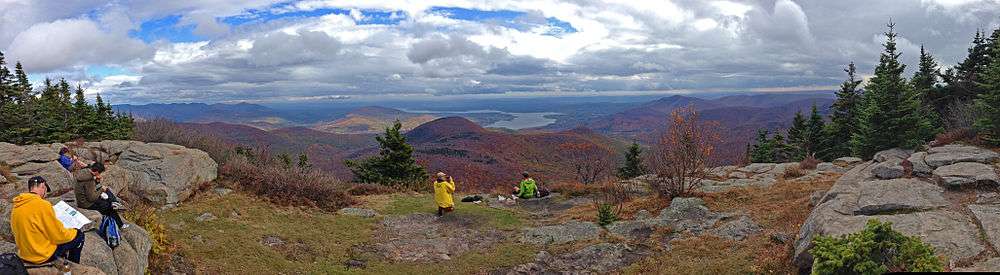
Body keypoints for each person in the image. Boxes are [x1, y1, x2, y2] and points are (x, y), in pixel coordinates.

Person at [10, 176, 85, 264]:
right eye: (46, 189)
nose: (45, 194)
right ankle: (73, 266)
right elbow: (58, 235)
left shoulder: (17, 205)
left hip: (25, 253)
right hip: (41, 255)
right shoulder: (43, 205)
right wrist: (74, 231)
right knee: (80, 236)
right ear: (42, 186)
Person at [73, 162, 127, 229]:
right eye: (100, 173)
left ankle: (115, 203)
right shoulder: (89, 180)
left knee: (106, 192)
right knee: (108, 206)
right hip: (85, 204)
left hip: (82, 199)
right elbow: (92, 198)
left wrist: (97, 182)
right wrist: (101, 190)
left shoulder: (85, 172)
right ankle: (120, 224)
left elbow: (88, 189)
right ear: (97, 172)